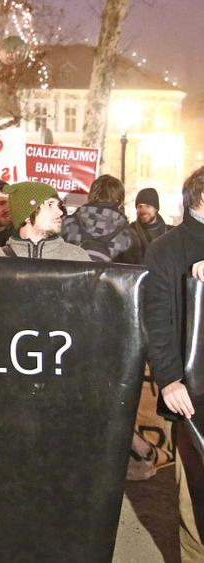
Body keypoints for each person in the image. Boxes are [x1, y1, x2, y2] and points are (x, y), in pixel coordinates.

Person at [143, 167, 204, 561]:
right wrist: (168, 379)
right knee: (195, 499)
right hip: (194, 397)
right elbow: (156, 320)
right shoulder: (166, 249)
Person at [0, 182, 90, 261]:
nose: (60, 212)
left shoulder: (76, 257)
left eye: (58, 205)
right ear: (27, 216)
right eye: (50, 204)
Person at [61, 174, 140, 263]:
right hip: (109, 272)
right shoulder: (127, 234)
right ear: (119, 200)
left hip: (71, 271)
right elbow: (134, 269)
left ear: (91, 195)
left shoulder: (67, 224)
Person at [132, 187, 171, 261]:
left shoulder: (170, 233)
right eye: (140, 206)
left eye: (148, 206)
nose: (143, 210)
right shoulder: (129, 232)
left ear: (156, 209)